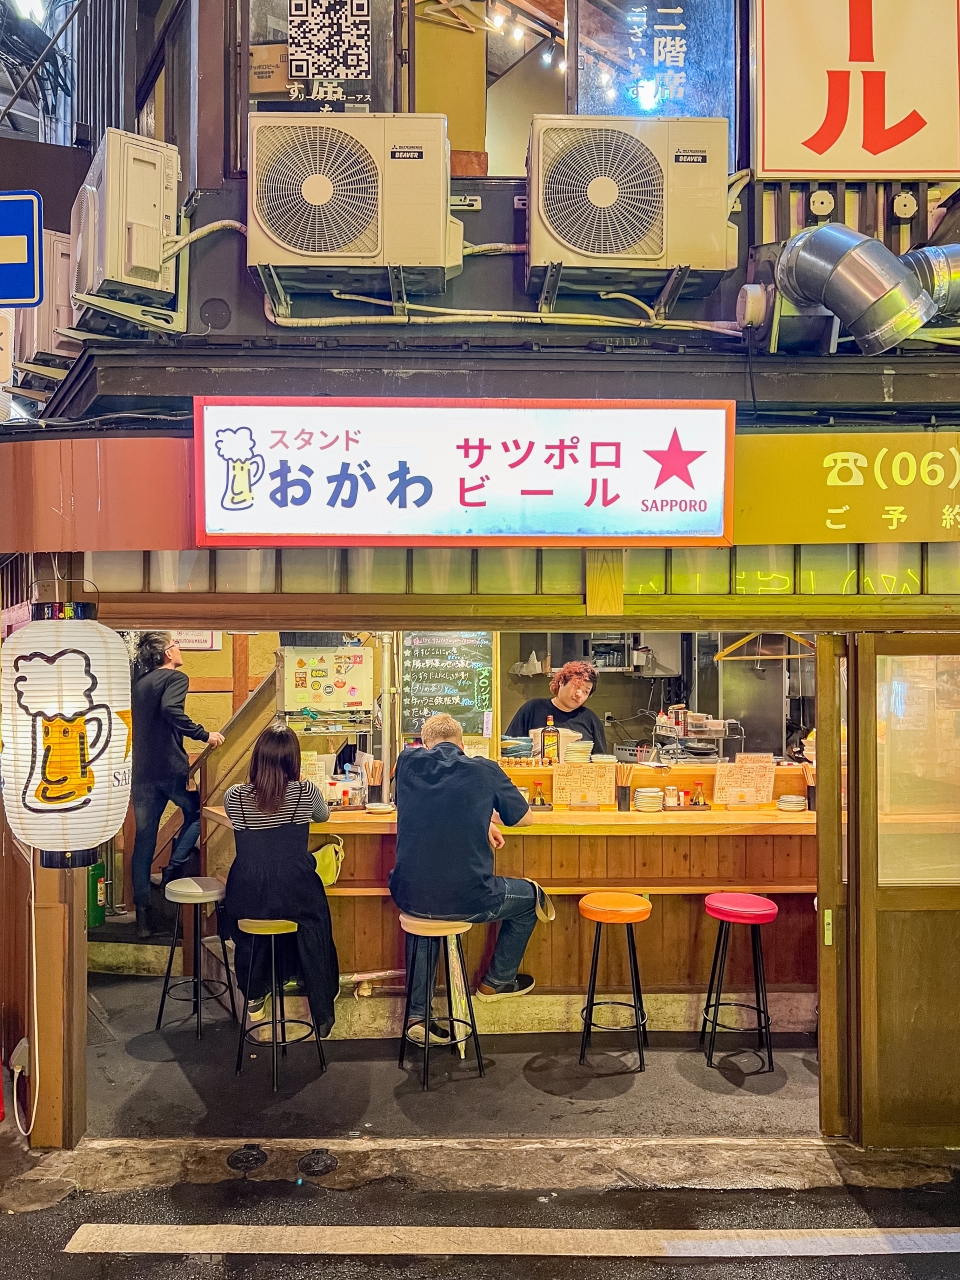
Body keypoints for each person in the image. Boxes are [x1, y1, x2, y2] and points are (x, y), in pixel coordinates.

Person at [389, 713, 536, 1046]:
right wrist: (486, 818)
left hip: (407, 893)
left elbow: (437, 800)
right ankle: (496, 982)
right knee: (532, 900)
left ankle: (417, 1015)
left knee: (424, 907)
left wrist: (481, 820)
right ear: (462, 744)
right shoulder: (483, 769)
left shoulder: (408, 761)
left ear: (425, 744)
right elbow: (524, 818)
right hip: (469, 899)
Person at [224, 721, 340, 1038]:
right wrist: (298, 779)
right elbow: (324, 816)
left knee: (254, 921)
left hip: (247, 890)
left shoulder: (234, 797)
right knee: (315, 923)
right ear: (294, 761)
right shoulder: (304, 792)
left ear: (257, 758)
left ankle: (255, 992)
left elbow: (239, 818)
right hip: (294, 885)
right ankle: (317, 1000)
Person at [131, 631, 225, 939]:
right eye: (175, 645)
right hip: (170, 767)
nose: (179, 647)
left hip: (142, 772)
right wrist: (204, 734)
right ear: (167, 655)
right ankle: (173, 868)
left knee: (144, 841)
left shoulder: (140, 685)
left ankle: (143, 916)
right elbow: (172, 710)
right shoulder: (175, 679)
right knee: (198, 812)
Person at [505, 659, 607, 754]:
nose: (579, 694)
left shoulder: (591, 720)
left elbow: (600, 761)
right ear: (561, 682)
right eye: (576, 686)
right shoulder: (532, 709)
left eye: (586, 692)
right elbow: (509, 748)